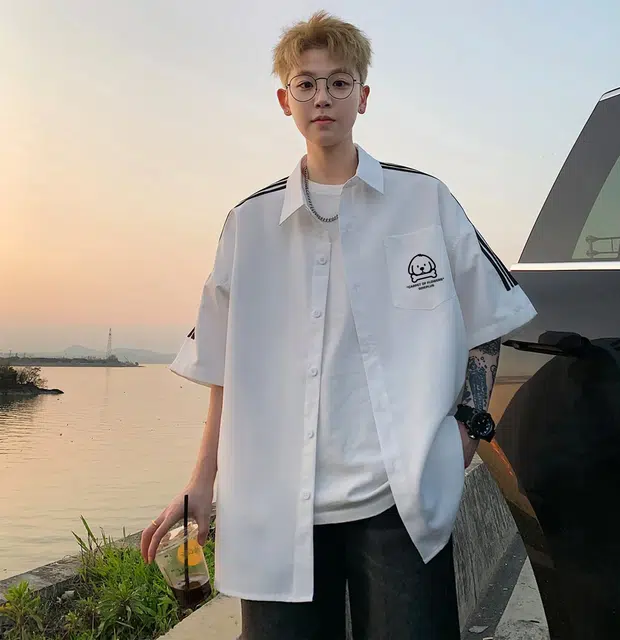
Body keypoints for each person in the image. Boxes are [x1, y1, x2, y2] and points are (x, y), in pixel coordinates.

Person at [140, 10, 537, 639]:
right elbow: (223, 368)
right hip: (274, 503)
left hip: (400, 500)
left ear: (363, 97)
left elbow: (491, 318)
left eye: (339, 82)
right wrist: (200, 484)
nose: (322, 97)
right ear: (285, 100)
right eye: (306, 83)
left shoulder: (424, 200)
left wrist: (467, 429)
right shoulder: (247, 226)